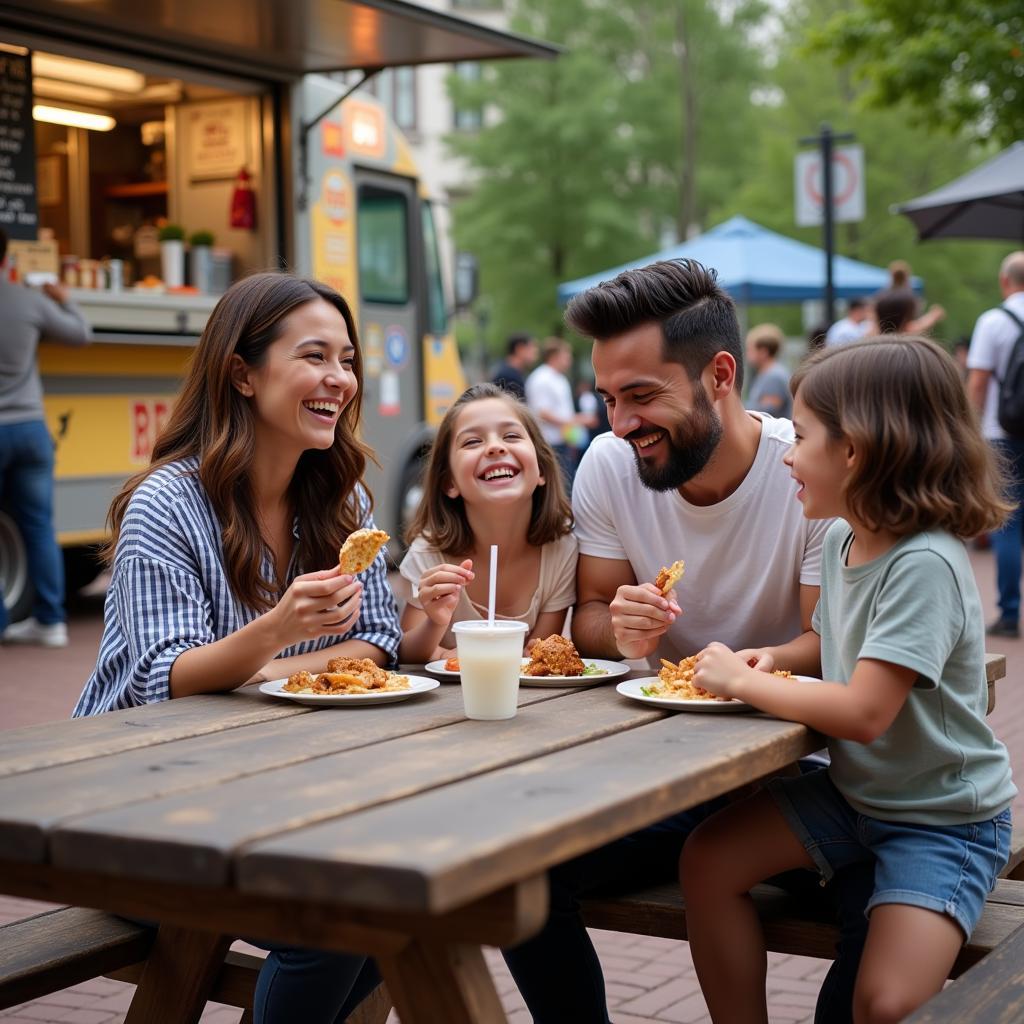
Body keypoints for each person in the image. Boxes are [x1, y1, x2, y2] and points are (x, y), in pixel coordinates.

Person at [500, 259, 831, 1024]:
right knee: (518, 875)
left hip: (801, 771)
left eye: (642, 396)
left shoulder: (806, 474)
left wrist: (742, 670)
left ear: (720, 374)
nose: (619, 423)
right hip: (666, 773)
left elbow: (827, 641)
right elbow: (588, 618)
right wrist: (616, 626)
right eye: (608, 399)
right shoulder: (612, 467)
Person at [74, 273, 400, 1024]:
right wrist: (282, 633)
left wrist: (268, 667)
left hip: (264, 798)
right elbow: (169, 677)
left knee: (398, 904)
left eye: (347, 359)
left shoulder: (343, 500)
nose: (339, 379)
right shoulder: (169, 502)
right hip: (131, 808)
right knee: (330, 931)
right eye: (314, 356)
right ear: (243, 373)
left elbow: (378, 640)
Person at [681, 336, 1015, 1024]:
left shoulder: (926, 562)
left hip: (941, 820)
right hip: (855, 795)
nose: (787, 454)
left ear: (856, 450)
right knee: (707, 862)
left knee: (885, 1003)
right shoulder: (840, 537)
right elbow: (838, 649)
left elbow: (865, 711)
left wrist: (740, 685)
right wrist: (772, 659)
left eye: (801, 436)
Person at [396, 382, 576, 663]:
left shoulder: (561, 550)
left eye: (511, 436)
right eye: (472, 442)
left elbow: (536, 656)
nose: (494, 447)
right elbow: (406, 654)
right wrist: (435, 624)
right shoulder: (428, 554)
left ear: (540, 468)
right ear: (449, 481)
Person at [0, 229, 92, 647]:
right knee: (38, 526)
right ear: (7, 258)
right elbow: (80, 333)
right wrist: (63, 296)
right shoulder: (26, 300)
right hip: (32, 429)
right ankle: (51, 621)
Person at [966, 251, 1024, 637]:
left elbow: (979, 381)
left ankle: (1008, 612)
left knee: (1008, 523)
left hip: (1002, 435)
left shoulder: (993, 322)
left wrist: (968, 428)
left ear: (1005, 281)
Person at [525, 336, 585, 490]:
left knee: (568, 483)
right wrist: (574, 421)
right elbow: (542, 412)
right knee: (560, 486)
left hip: (564, 439)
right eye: (566, 355)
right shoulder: (541, 378)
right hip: (550, 442)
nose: (569, 360)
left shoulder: (559, 378)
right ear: (554, 356)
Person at [744, 323, 792, 418]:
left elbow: (767, 411)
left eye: (750, 349)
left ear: (763, 352)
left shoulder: (774, 376)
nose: (747, 353)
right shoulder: (767, 373)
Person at [491, 331, 538, 399]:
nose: (535, 352)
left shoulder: (512, 373)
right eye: (531, 348)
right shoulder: (508, 377)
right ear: (519, 349)